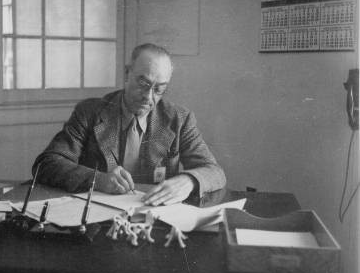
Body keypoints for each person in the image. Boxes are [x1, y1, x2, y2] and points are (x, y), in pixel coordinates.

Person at [33, 43, 226, 206]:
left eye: (159, 90)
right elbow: (47, 164)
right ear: (127, 73)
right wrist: (98, 180)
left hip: (153, 220)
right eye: (143, 84)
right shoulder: (90, 112)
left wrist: (189, 180)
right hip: (98, 217)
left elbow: (214, 171)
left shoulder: (179, 119)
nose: (148, 97)